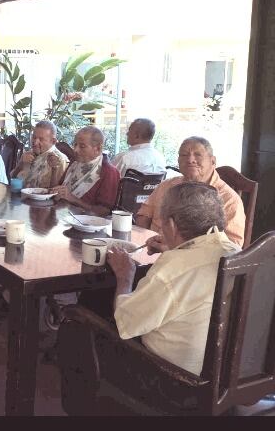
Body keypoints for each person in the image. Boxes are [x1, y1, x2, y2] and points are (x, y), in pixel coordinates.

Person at [108, 182, 239, 375]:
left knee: (85, 313)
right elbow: (197, 265)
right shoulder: (236, 252)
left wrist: (124, 276)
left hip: (174, 379)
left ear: (171, 225)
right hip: (226, 373)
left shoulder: (171, 270)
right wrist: (174, 247)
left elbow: (124, 322)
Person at [135, 136, 245, 247]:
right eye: (184, 155)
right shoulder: (166, 186)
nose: (190, 160)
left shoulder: (229, 199)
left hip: (194, 256)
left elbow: (232, 246)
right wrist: (143, 244)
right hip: (150, 249)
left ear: (213, 161)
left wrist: (173, 250)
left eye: (197, 154)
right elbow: (144, 215)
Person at [52, 126, 120, 217]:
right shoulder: (75, 163)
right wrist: (54, 169)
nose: (75, 150)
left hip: (86, 222)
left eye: (82, 146)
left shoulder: (109, 172)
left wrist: (73, 199)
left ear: (98, 149)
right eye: (75, 145)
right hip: (62, 215)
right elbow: (58, 190)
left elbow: (104, 211)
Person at [11, 120, 69, 189]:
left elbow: (56, 191)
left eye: (41, 139)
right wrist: (20, 164)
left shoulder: (59, 160)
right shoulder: (28, 154)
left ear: (53, 141)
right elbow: (11, 179)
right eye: (34, 137)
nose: (35, 142)